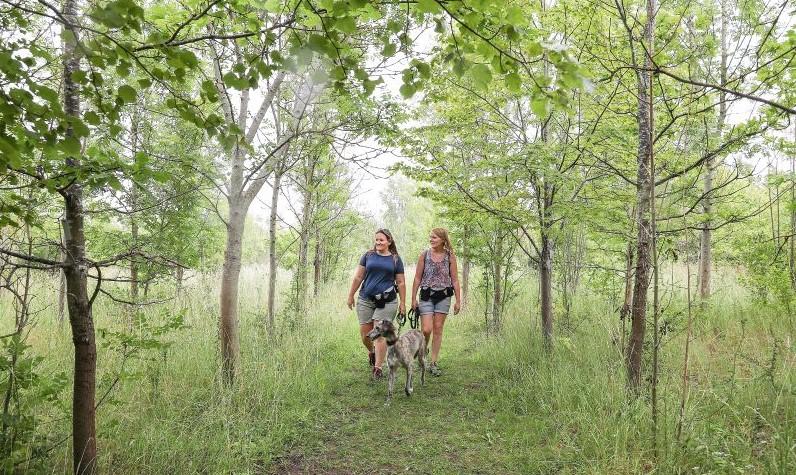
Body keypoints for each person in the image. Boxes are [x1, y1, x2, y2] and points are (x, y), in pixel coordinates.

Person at [347, 228, 406, 379]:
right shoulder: (368, 256)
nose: (378, 242)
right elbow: (358, 277)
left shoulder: (395, 259)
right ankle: (372, 352)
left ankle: (378, 368)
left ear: (389, 242)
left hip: (387, 301)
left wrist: (403, 303)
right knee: (366, 336)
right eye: (377, 240)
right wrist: (350, 295)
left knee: (379, 334)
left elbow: (400, 282)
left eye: (381, 240)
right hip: (365, 299)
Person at [411, 227, 461, 377]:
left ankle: (433, 362)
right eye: (430, 237)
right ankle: (423, 350)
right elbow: (417, 278)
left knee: (438, 328)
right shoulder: (424, 255)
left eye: (434, 237)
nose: (431, 239)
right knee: (426, 329)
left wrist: (458, 300)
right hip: (426, 295)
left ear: (443, 240)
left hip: (444, 296)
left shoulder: (450, 256)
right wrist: (413, 298)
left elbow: (455, 280)